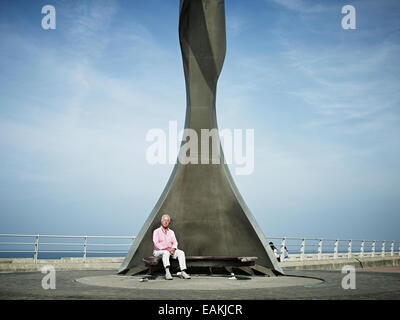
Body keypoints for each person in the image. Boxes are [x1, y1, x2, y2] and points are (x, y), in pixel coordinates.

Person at [153, 214, 191, 280]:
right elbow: (156, 243)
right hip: (159, 251)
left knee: (181, 252)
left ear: (169, 222)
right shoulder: (156, 231)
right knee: (166, 252)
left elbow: (175, 242)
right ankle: (167, 273)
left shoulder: (171, 232)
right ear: (161, 221)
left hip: (171, 251)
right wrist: (168, 249)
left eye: (167, 220)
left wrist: (173, 249)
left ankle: (183, 271)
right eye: (164, 220)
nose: (166, 222)